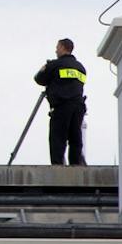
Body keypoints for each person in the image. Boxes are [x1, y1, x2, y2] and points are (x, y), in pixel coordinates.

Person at [34, 37, 89, 166]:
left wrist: (44, 69)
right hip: (78, 107)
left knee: (58, 138)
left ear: (63, 48)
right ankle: (76, 165)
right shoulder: (81, 67)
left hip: (62, 106)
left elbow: (39, 79)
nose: (56, 50)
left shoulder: (55, 65)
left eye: (57, 47)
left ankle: (58, 166)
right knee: (76, 137)